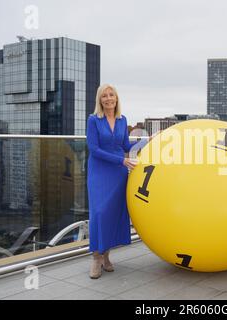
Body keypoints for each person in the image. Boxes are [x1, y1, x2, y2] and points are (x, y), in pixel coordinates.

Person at [86, 84, 137, 279]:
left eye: (112, 95)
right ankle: (95, 259)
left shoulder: (122, 120)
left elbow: (125, 145)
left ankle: (106, 256)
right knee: (99, 212)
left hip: (118, 173)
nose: (108, 98)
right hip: (99, 171)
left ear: (116, 98)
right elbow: (94, 149)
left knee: (111, 214)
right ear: (100, 100)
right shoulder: (93, 120)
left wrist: (150, 141)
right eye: (105, 96)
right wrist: (122, 160)